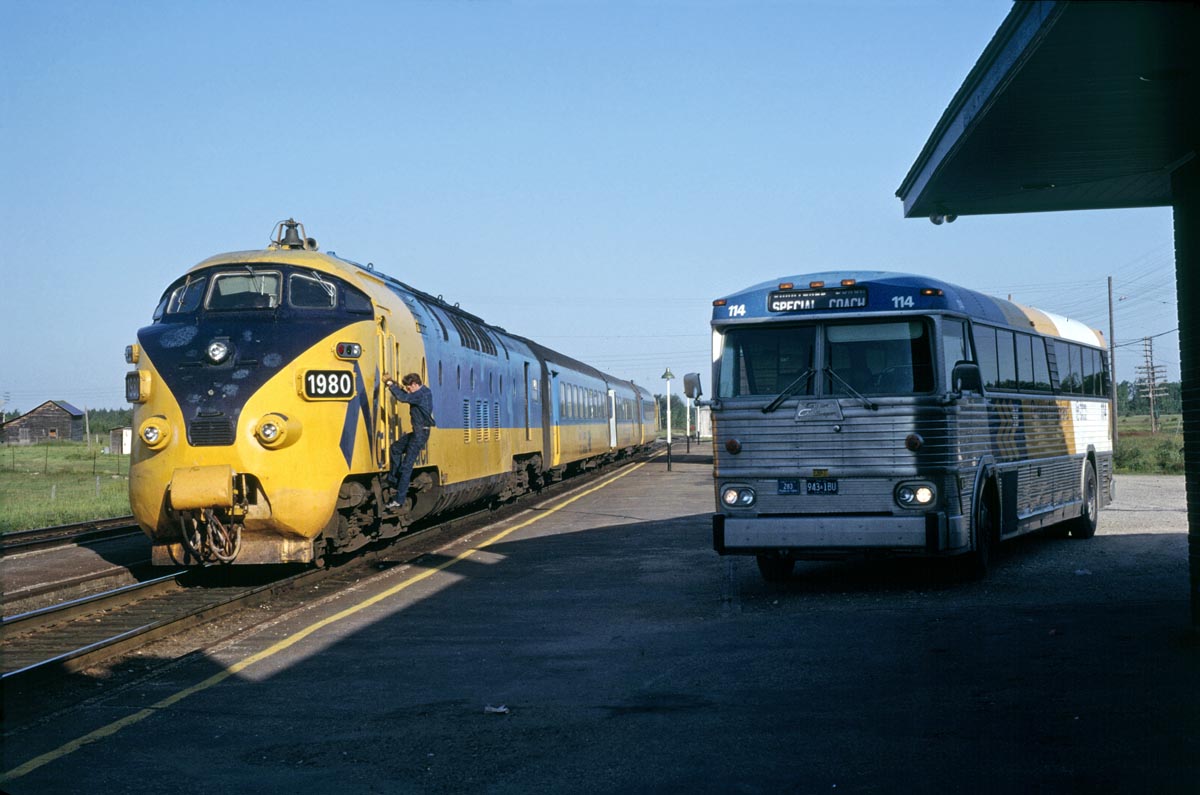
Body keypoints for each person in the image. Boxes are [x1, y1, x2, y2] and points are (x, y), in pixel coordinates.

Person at [382, 372, 435, 511]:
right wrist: (394, 383)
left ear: (415, 384)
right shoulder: (424, 391)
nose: (408, 389)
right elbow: (407, 395)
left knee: (406, 467)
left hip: (419, 434)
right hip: (418, 432)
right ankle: (394, 480)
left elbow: (403, 398)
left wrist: (390, 385)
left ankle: (399, 500)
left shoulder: (420, 395)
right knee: (395, 448)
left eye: (409, 387)